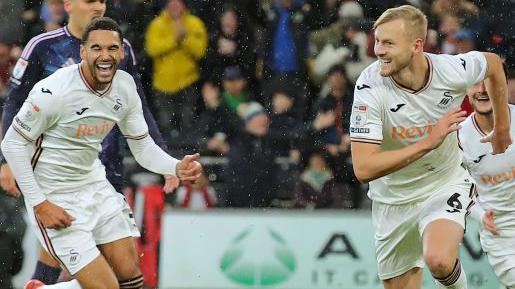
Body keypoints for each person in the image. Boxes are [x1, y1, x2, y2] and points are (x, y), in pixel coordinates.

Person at [1, 17, 202, 289]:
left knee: (131, 279)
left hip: (94, 184)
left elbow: (141, 145)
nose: (105, 55)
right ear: (82, 52)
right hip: (54, 193)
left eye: (112, 48)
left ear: (122, 52)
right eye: (96, 48)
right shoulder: (54, 91)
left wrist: (174, 167)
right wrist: (40, 204)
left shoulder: (125, 87)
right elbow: (11, 144)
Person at [349, 5, 510, 289]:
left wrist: (502, 126)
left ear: (416, 45)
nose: (379, 51)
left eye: (388, 43)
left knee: (439, 260)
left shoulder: (451, 69)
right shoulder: (369, 88)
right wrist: (427, 142)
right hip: (392, 200)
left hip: (443, 184)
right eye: (377, 41)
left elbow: (493, 64)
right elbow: (363, 168)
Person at [458, 82, 515, 288]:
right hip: (501, 233)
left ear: (502, 84)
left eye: (488, 82)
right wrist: (479, 215)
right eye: (475, 83)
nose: (481, 90)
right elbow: (456, 188)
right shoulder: (459, 137)